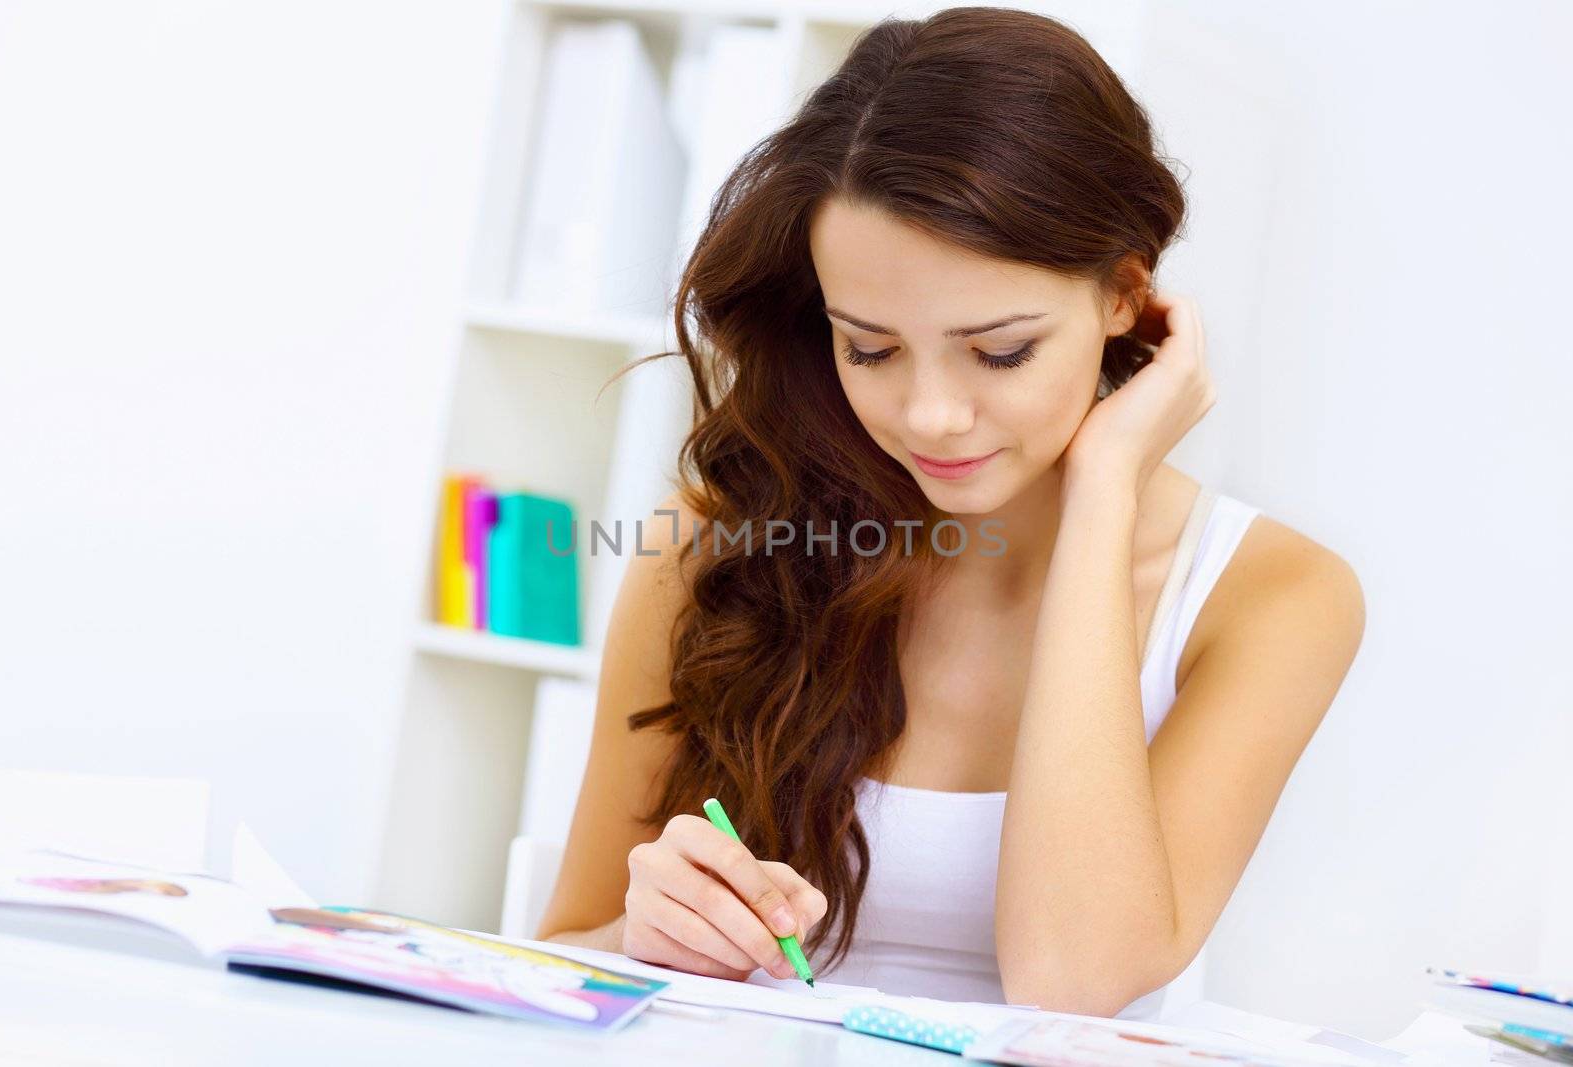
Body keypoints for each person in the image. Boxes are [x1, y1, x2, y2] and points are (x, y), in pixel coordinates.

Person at [536, 5, 1365, 1021]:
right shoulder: (722, 540)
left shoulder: (1273, 597)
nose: (929, 413)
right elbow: (561, 952)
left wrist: (1104, 489)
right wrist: (646, 936)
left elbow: (1072, 980)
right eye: (869, 349)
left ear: (1124, 297)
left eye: (1000, 349)